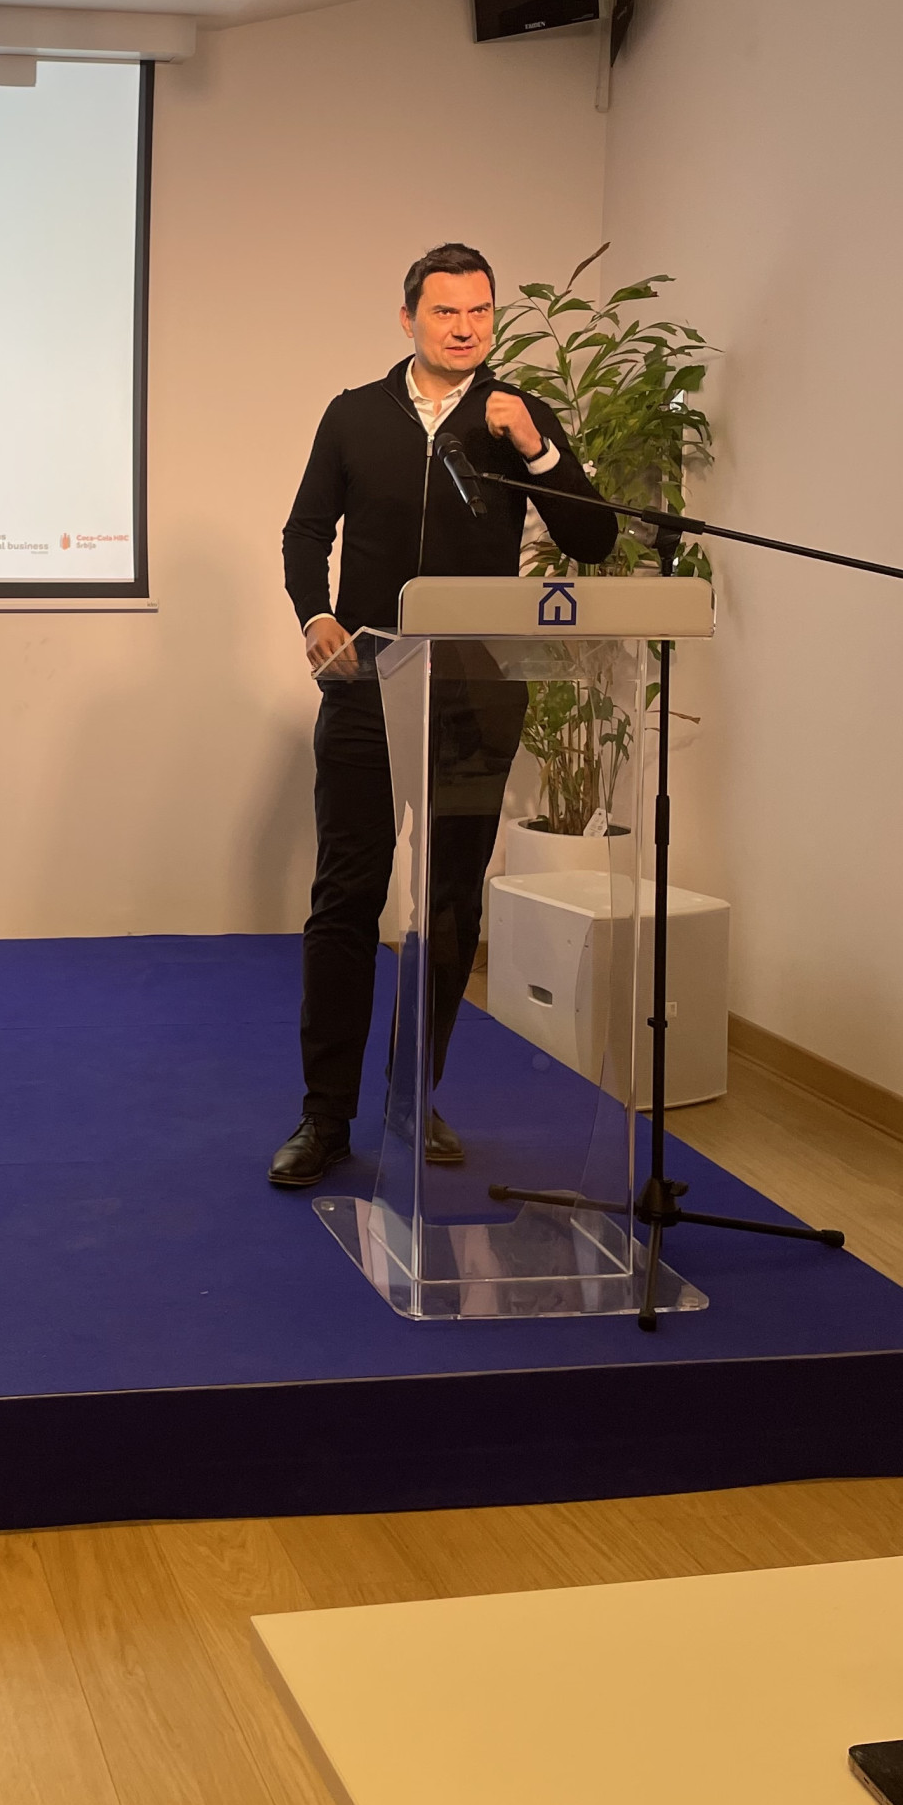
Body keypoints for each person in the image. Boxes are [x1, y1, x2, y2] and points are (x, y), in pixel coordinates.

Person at [268, 242, 618, 1190]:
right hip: (366, 684)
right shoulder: (354, 414)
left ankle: (410, 1097)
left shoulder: (514, 417)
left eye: (480, 312)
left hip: (477, 691)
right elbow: (306, 531)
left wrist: (538, 447)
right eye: (446, 312)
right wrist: (315, 615)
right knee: (347, 896)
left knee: (454, 901)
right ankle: (324, 1117)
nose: (466, 329)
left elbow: (593, 538)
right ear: (408, 319)